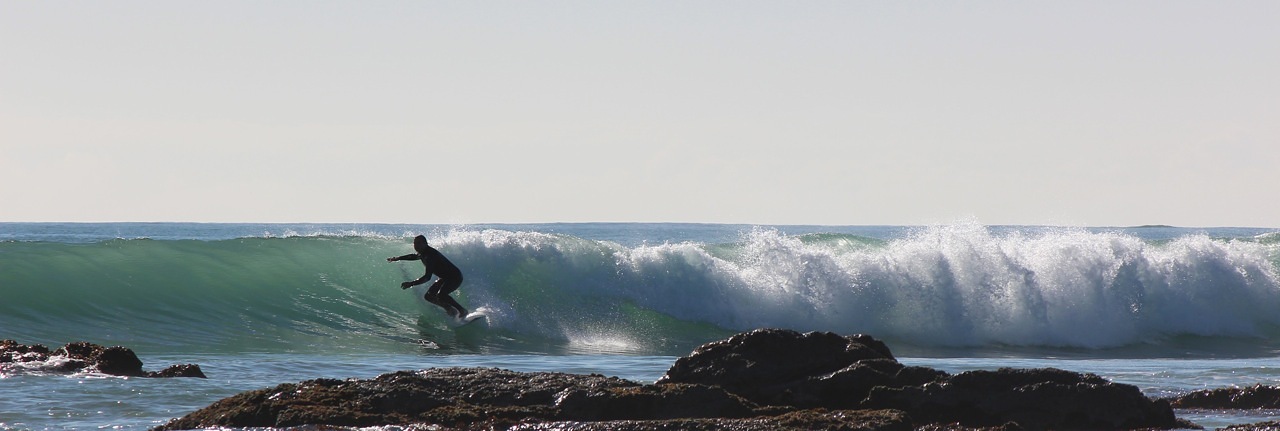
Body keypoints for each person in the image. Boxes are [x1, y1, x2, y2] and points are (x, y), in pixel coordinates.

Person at [387, 235, 467, 318]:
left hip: (454, 276)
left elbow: (427, 277)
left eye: (419, 243)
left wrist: (411, 284)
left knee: (442, 295)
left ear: (425, 243)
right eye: (414, 243)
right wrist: (398, 258)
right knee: (429, 296)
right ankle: (450, 310)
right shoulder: (423, 253)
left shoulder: (430, 255)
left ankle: (462, 310)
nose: (416, 246)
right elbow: (414, 256)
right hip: (445, 278)